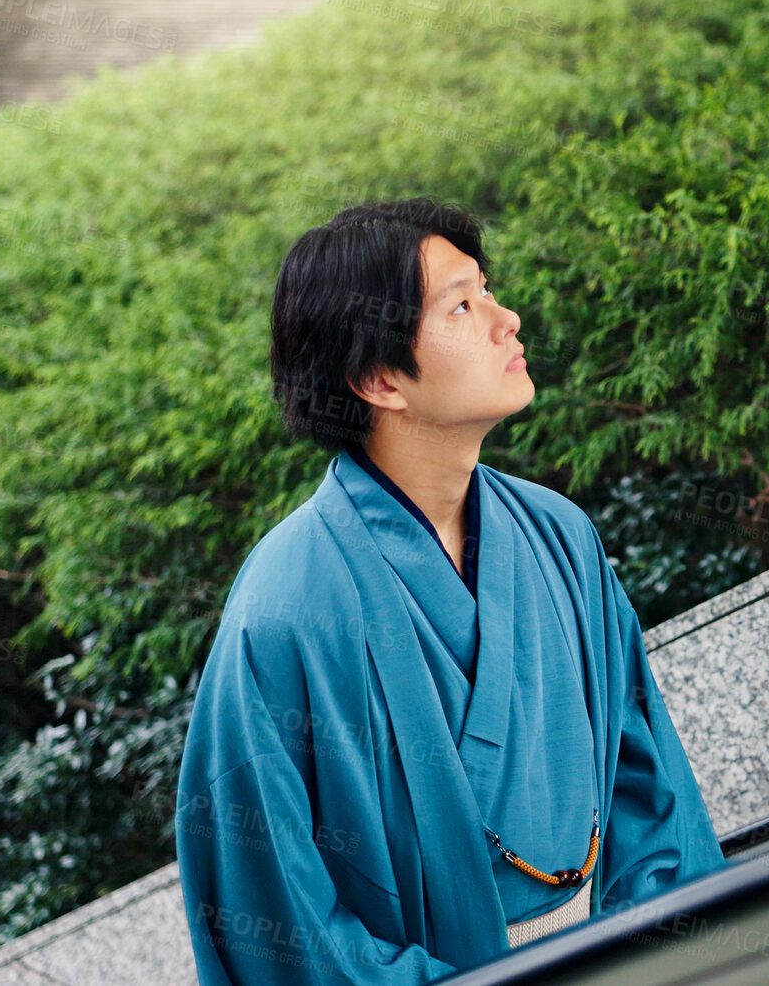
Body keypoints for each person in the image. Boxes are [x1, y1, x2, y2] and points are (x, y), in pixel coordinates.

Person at [174, 197, 726, 985]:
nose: (507, 319)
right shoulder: (284, 609)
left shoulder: (559, 536)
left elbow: (649, 793)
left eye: (488, 290)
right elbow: (283, 921)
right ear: (377, 378)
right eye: (462, 305)